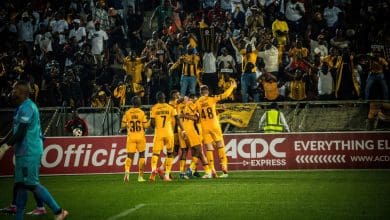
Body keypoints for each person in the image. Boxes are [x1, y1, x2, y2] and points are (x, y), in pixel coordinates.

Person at [0, 81, 68, 220]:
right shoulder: (20, 108)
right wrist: (2, 141)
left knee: (30, 183)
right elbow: (15, 130)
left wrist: (5, 147)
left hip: (29, 151)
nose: (12, 92)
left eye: (14, 90)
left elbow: (22, 132)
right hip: (22, 152)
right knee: (20, 186)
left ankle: (58, 210)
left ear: (22, 92)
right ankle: (19, 217)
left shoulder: (29, 107)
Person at [194, 80, 237, 178]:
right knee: (220, 145)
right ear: (207, 91)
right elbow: (225, 95)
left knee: (209, 148)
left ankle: (212, 169)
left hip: (204, 127)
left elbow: (193, 112)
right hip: (215, 125)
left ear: (200, 92)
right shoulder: (212, 99)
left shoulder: (197, 103)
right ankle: (224, 168)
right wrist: (232, 87)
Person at [149, 91, 187, 182]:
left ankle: (153, 169)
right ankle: (166, 176)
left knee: (155, 154)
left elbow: (152, 124)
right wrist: (183, 130)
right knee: (170, 154)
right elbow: (177, 119)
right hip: (169, 133)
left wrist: (154, 123)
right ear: (164, 98)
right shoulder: (170, 107)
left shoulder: (154, 108)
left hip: (158, 133)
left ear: (157, 99)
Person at [120, 96, 149, 182]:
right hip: (140, 137)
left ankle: (127, 172)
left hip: (131, 137)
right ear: (139, 103)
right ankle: (140, 177)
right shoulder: (141, 113)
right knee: (142, 155)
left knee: (129, 156)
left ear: (132, 103)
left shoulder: (127, 113)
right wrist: (150, 120)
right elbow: (146, 126)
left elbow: (123, 126)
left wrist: (128, 125)